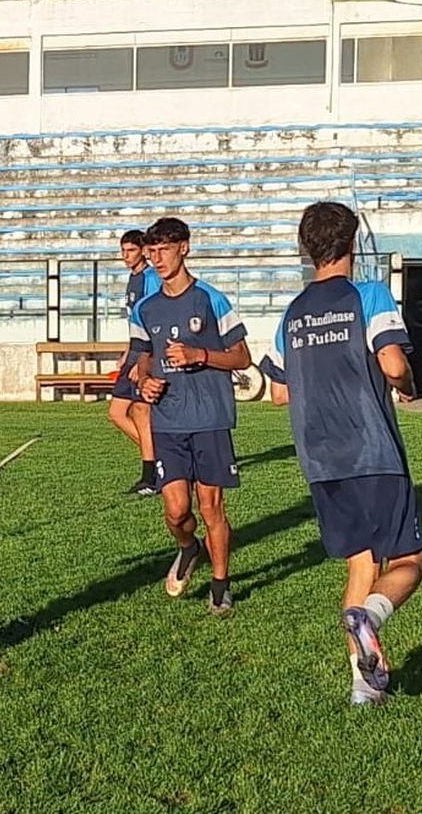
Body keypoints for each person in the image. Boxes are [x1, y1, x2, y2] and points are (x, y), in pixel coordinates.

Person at [259, 201, 422, 706]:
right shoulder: (368, 295)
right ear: (352, 243)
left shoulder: (292, 313)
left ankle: (363, 686)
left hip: (320, 458)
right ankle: (370, 617)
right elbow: (394, 364)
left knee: (360, 565)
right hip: (371, 449)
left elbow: (278, 392)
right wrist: (409, 385)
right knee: (409, 561)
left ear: (306, 250)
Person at [129, 218, 250, 614]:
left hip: (211, 417)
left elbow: (242, 357)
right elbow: (141, 358)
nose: (156, 258)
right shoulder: (146, 308)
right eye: (151, 251)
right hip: (168, 420)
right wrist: (144, 380)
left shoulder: (211, 299)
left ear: (184, 247)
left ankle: (220, 585)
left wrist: (201, 355)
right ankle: (187, 547)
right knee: (177, 510)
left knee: (211, 507)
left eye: (163, 249)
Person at [109, 229, 164, 495]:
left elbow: (154, 320)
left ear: (143, 251)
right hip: (135, 349)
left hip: (146, 353)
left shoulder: (150, 278)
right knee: (117, 413)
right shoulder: (133, 279)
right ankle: (158, 461)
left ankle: (150, 475)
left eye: (130, 250)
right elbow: (136, 320)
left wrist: (142, 361)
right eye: (123, 251)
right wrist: (127, 351)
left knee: (141, 412)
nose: (125, 256)